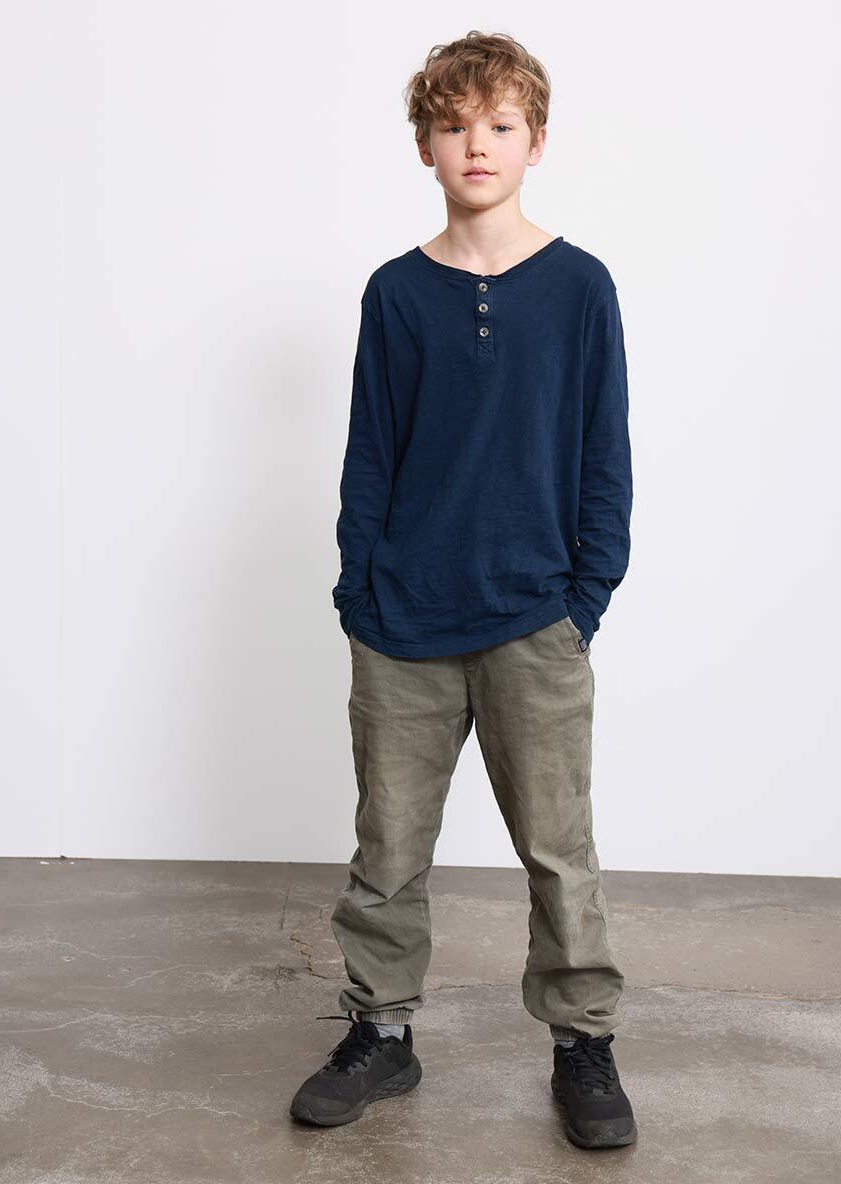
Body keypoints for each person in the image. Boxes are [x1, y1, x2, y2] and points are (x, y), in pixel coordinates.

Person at [290, 30, 637, 1149]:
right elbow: (370, 455)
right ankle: (381, 1031)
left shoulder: (579, 287)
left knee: (558, 849)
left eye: (498, 124)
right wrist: (360, 591)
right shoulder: (396, 293)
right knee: (387, 849)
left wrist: (582, 600)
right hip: (402, 621)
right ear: (424, 147)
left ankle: (581, 1041)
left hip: (535, 616)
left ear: (536, 141)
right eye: (453, 125)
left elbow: (603, 456)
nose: (475, 144)